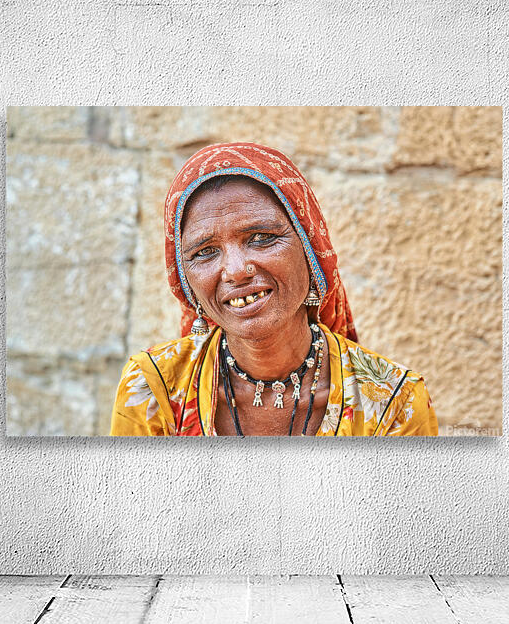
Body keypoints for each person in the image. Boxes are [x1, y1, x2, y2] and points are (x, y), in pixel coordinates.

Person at [110, 143, 438, 437]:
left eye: (262, 237)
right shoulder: (154, 389)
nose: (236, 270)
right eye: (205, 252)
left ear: (311, 251)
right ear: (186, 283)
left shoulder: (393, 402)